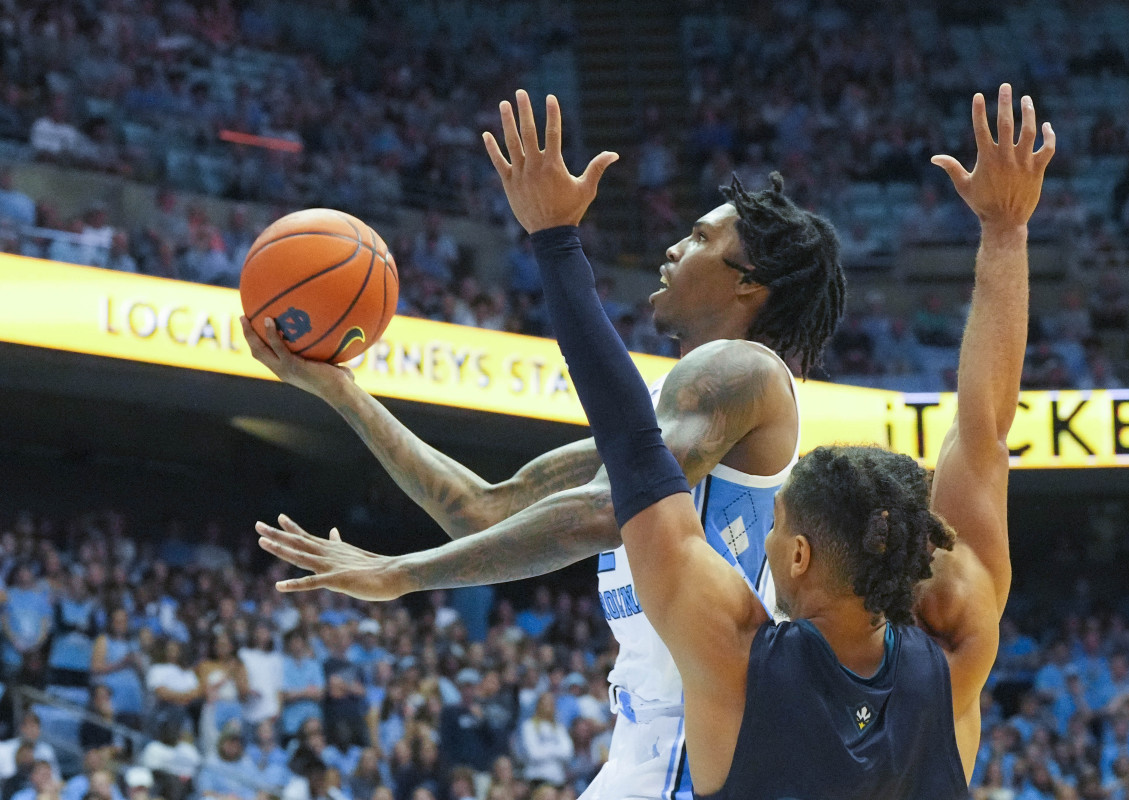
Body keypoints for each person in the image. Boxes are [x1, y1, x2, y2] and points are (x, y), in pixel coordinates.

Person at [249, 85, 845, 798]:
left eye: (700, 239)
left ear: (751, 285)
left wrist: (404, 572)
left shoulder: (742, 371)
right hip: (653, 744)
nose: (673, 246)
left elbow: (601, 513)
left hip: (703, 746)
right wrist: (340, 390)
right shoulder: (679, 406)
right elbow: (485, 508)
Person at [463, 85, 1049, 797]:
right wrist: (1008, 231)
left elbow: (638, 457)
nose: (764, 551)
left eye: (776, 525)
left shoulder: (743, 667)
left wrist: (555, 242)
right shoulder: (959, 646)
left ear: (799, 556)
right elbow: (985, 427)